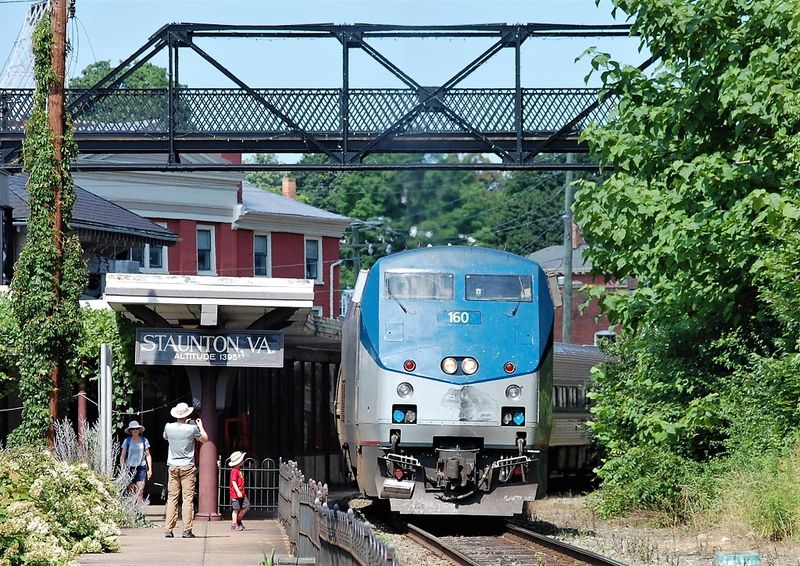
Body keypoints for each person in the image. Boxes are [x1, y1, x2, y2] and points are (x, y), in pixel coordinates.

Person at [163, 402, 208, 539]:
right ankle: (187, 530)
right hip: (187, 466)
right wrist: (199, 425)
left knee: (172, 498)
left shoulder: (168, 427)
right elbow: (205, 439)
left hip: (173, 465)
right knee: (187, 499)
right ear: (187, 414)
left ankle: (168, 529)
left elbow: (166, 437)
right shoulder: (192, 429)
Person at [119, 420, 152, 503]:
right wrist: (123, 468)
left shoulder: (144, 441)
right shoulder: (127, 441)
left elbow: (148, 455)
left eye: (137, 428)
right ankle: (133, 510)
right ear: (130, 431)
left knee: (140, 490)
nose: (135, 430)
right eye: (133, 429)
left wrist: (150, 469)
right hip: (129, 466)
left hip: (141, 466)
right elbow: (122, 456)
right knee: (132, 491)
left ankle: (140, 508)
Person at [228, 451, 250, 531]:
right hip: (235, 493)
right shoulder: (234, 471)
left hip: (242, 492)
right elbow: (233, 481)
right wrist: (237, 491)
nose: (243, 461)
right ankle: (234, 523)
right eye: (242, 460)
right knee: (236, 509)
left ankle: (238, 520)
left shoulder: (239, 470)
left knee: (246, 506)